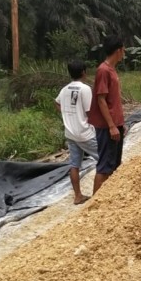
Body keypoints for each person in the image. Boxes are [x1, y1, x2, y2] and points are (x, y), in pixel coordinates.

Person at [87, 34, 127, 197]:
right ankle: (94, 204)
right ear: (118, 50)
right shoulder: (103, 70)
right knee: (104, 166)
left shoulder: (111, 70)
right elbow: (101, 99)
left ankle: (107, 199)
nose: (124, 53)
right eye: (123, 50)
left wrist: (120, 123)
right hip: (107, 127)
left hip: (115, 124)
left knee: (114, 165)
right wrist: (111, 126)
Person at [55, 60, 99, 205]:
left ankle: (78, 196)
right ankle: (100, 193)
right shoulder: (85, 89)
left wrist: (68, 115)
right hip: (85, 133)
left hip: (70, 133)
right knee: (104, 159)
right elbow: (89, 112)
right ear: (83, 72)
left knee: (74, 165)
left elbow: (57, 103)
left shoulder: (64, 89)